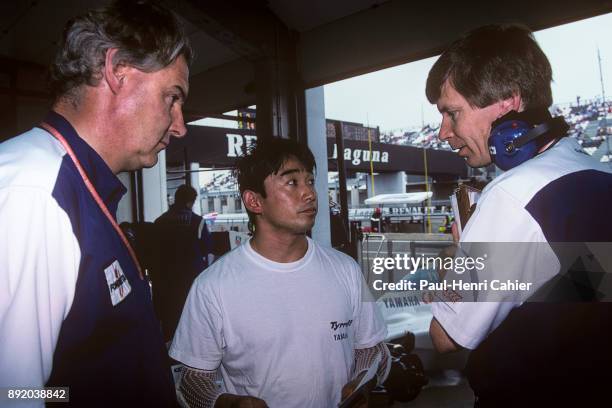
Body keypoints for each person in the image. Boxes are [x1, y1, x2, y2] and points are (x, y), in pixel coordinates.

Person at [0, 1, 191, 406]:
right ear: (117, 70)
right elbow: (14, 393)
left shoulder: (76, 185)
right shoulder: (37, 192)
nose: (179, 125)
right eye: (172, 98)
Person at [425, 24, 612, 405]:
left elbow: (445, 337)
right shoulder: (601, 174)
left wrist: (453, 265)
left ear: (508, 101)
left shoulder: (511, 196)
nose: (443, 131)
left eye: (452, 113)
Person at [169, 138, 390, 407]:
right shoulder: (212, 287)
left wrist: (362, 382)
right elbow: (190, 380)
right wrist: (226, 403)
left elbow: (374, 349)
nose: (309, 193)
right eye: (292, 183)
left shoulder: (346, 270)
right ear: (254, 201)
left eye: (310, 181)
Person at [154, 184, 214, 342]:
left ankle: (170, 360)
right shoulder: (198, 222)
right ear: (191, 202)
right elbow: (207, 251)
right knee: (191, 323)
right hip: (191, 280)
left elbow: (153, 252)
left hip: (165, 282)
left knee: (169, 323)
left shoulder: (159, 222)